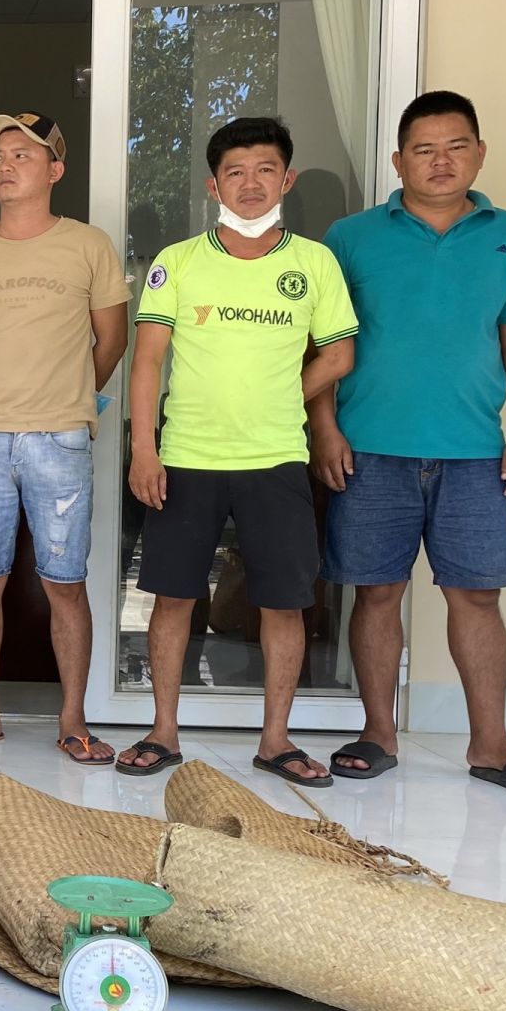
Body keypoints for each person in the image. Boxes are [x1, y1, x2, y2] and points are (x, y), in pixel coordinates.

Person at [311, 92, 506, 798]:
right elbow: (322, 341)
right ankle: (377, 733)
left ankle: (492, 744)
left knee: (478, 596)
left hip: (475, 451)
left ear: (479, 154)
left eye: (456, 147)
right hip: (370, 448)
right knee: (377, 593)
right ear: (399, 162)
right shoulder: (350, 237)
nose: (441, 161)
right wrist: (324, 427)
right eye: (424, 149)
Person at [117, 116, 357, 785]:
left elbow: (339, 354)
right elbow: (147, 361)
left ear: (287, 179)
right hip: (187, 457)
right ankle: (163, 732)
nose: (250, 184)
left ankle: (276, 741)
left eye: (264, 170)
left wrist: (282, 394)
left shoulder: (314, 263)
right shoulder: (177, 262)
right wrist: (144, 449)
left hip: (275, 458)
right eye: (235, 172)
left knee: (284, 602)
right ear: (213, 185)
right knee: (173, 598)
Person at [0, 113, 129, 763]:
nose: (5, 165)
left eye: (22, 154)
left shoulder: (89, 246)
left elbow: (113, 339)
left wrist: (69, 396)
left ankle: (74, 720)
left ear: (55, 171)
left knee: (65, 583)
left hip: (60, 439)